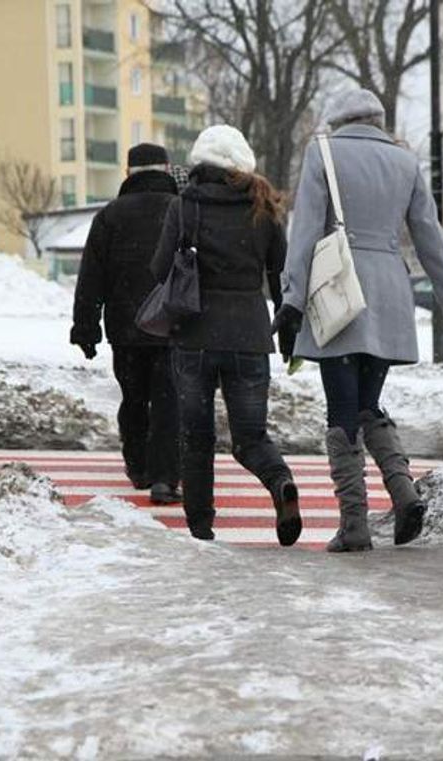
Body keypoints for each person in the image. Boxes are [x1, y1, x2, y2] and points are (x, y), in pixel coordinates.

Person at [273, 89, 443, 553]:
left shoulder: (323, 152)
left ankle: (354, 525)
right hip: (390, 292)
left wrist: (291, 300)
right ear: (377, 119)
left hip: (339, 291)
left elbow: (306, 231)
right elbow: (430, 238)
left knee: (342, 410)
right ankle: (404, 492)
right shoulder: (405, 162)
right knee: (368, 403)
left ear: (339, 119)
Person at [151, 125, 301, 546]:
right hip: (249, 336)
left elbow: (160, 269)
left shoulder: (185, 206)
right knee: (250, 437)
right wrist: (286, 329)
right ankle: (280, 482)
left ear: (201, 163)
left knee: (195, 437)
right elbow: (281, 277)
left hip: (195, 335)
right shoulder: (263, 206)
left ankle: (201, 527)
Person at [71, 143, 182, 505]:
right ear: (167, 169)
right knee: (169, 402)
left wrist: (85, 328)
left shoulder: (110, 216)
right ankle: (166, 477)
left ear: (128, 174)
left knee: (134, 397)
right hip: (172, 325)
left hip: (127, 327)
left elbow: (91, 277)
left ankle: (138, 466)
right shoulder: (181, 211)